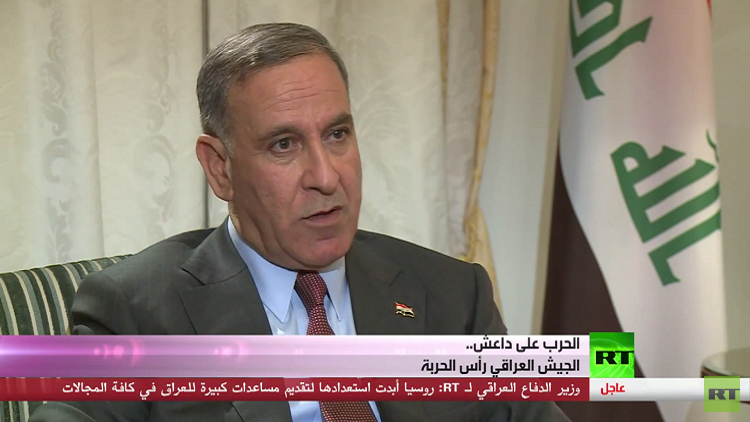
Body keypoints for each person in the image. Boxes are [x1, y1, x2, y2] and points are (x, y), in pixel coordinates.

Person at [30, 23, 571, 422]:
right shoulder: (139, 311)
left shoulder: (451, 294)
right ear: (220, 169)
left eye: (337, 134)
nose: (326, 176)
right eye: (283, 145)